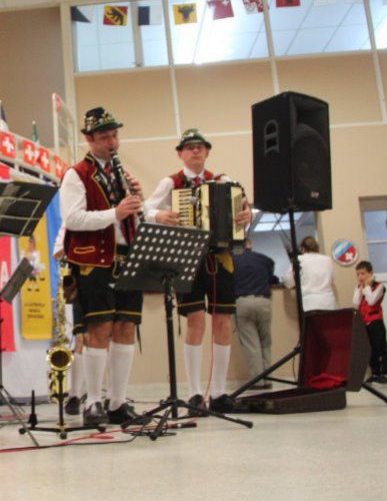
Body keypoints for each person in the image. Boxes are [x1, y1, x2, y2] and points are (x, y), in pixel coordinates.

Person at [144, 128, 252, 415]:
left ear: (207, 151)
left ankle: (219, 392)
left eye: (199, 147)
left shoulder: (224, 181)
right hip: (187, 258)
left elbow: (241, 218)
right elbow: (145, 209)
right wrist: (160, 215)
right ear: (180, 153)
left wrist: (246, 218)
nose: (195, 151)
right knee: (195, 322)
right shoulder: (171, 182)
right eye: (189, 147)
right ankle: (193, 393)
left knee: (223, 322)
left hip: (220, 258)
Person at [60, 107, 144, 426]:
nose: (113, 142)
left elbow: (133, 215)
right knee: (99, 329)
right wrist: (116, 213)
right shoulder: (76, 173)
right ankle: (93, 401)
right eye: (105, 137)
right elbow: (72, 219)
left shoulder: (121, 174)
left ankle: (117, 401)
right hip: (93, 260)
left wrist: (140, 202)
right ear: (89, 139)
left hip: (127, 256)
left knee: (126, 327)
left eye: (115, 135)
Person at [233, 239, 278, 389]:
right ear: (249, 244)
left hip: (242, 303)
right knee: (266, 342)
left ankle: (257, 381)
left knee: (251, 344)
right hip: (264, 302)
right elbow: (273, 279)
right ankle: (268, 379)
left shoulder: (232, 260)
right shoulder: (265, 259)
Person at [51, 225, 86, 415]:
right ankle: (74, 394)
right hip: (82, 278)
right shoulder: (71, 220)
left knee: (111, 336)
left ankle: (111, 396)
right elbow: (58, 252)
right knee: (82, 337)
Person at [353, 260, 387, 384]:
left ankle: (385, 373)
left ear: (370, 273)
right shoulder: (359, 288)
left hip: (375, 321)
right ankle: (375, 373)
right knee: (370, 349)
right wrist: (361, 290)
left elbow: (372, 301)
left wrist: (368, 287)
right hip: (364, 323)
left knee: (381, 347)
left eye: (363, 273)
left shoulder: (379, 286)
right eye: (358, 274)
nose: (360, 277)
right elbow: (355, 303)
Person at [284, 236, 337, 311]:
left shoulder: (299, 260)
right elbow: (332, 278)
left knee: (313, 322)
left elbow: (289, 282)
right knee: (330, 322)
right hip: (328, 302)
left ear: (303, 248)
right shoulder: (327, 260)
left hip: (310, 303)